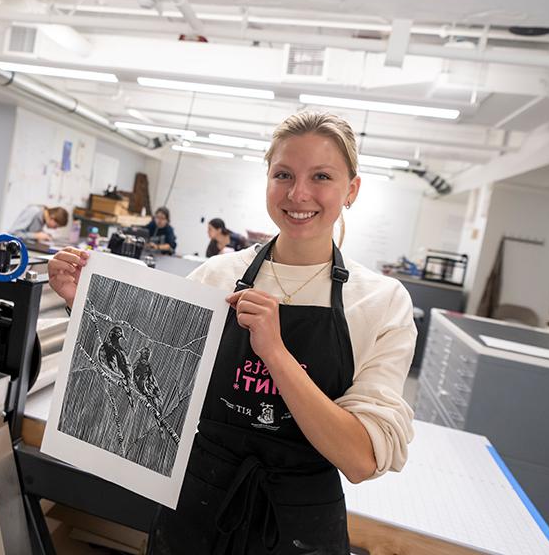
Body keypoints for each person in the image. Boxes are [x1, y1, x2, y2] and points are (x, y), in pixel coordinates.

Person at [47, 111, 416, 554]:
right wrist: (85, 303)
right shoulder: (217, 276)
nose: (299, 193)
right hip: (197, 509)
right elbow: (153, 390)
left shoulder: (380, 302)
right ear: (267, 180)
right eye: (283, 174)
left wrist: (275, 355)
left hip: (299, 527)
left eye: (321, 176)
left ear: (351, 190)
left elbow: (360, 459)